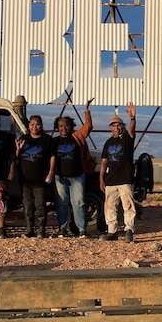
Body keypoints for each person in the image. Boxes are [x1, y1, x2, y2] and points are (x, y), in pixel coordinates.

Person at [52, 99, 95, 238]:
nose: (63, 127)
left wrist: (86, 109)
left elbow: (88, 126)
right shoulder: (55, 141)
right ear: (57, 128)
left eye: (66, 125)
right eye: (60, 125)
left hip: (77, 176)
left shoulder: (77, 136)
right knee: (62, 204)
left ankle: (81, 229)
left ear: (71, 126)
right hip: (60, 177)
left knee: (79, 203)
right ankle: (62, 229)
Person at [99, 102, 137, 242]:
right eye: (113, 125)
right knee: (110, 206)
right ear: (110, 128)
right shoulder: (108, 143)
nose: (116, 127)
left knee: (128, 205)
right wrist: (101, 179)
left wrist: (133, 118)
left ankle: (129, 230)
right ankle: (112, 231)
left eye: (118, 125)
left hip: (125, 179)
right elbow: (104, 162)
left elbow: (132, 130)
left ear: (122, 127)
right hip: (111, 180)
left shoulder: (127, 139)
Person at [16, 115, 55, 238]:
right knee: (27, 205)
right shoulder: (23, 138)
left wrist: (51, 172)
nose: (34, 127)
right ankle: (29, 229)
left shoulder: (47, 140)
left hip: (40, 180)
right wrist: (18, 149)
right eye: (32, 124)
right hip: (25, 179)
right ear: (28, 126)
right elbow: (16, 156)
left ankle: (41, 230)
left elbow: (52, 157)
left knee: (40, 205)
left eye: (37, 124)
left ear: (41, 125)